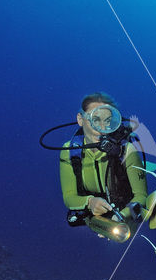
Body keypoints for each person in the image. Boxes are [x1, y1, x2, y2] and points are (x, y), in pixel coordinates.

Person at [60, 92, 147, 237]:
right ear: (80, 119)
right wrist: (89, 202)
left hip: (123, 212)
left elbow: (142, 196)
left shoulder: (127, 150)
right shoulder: (69, 152)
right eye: (95, 119)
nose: (101, 127)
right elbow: (69, 197)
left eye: (107, 121)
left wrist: (121, 216)